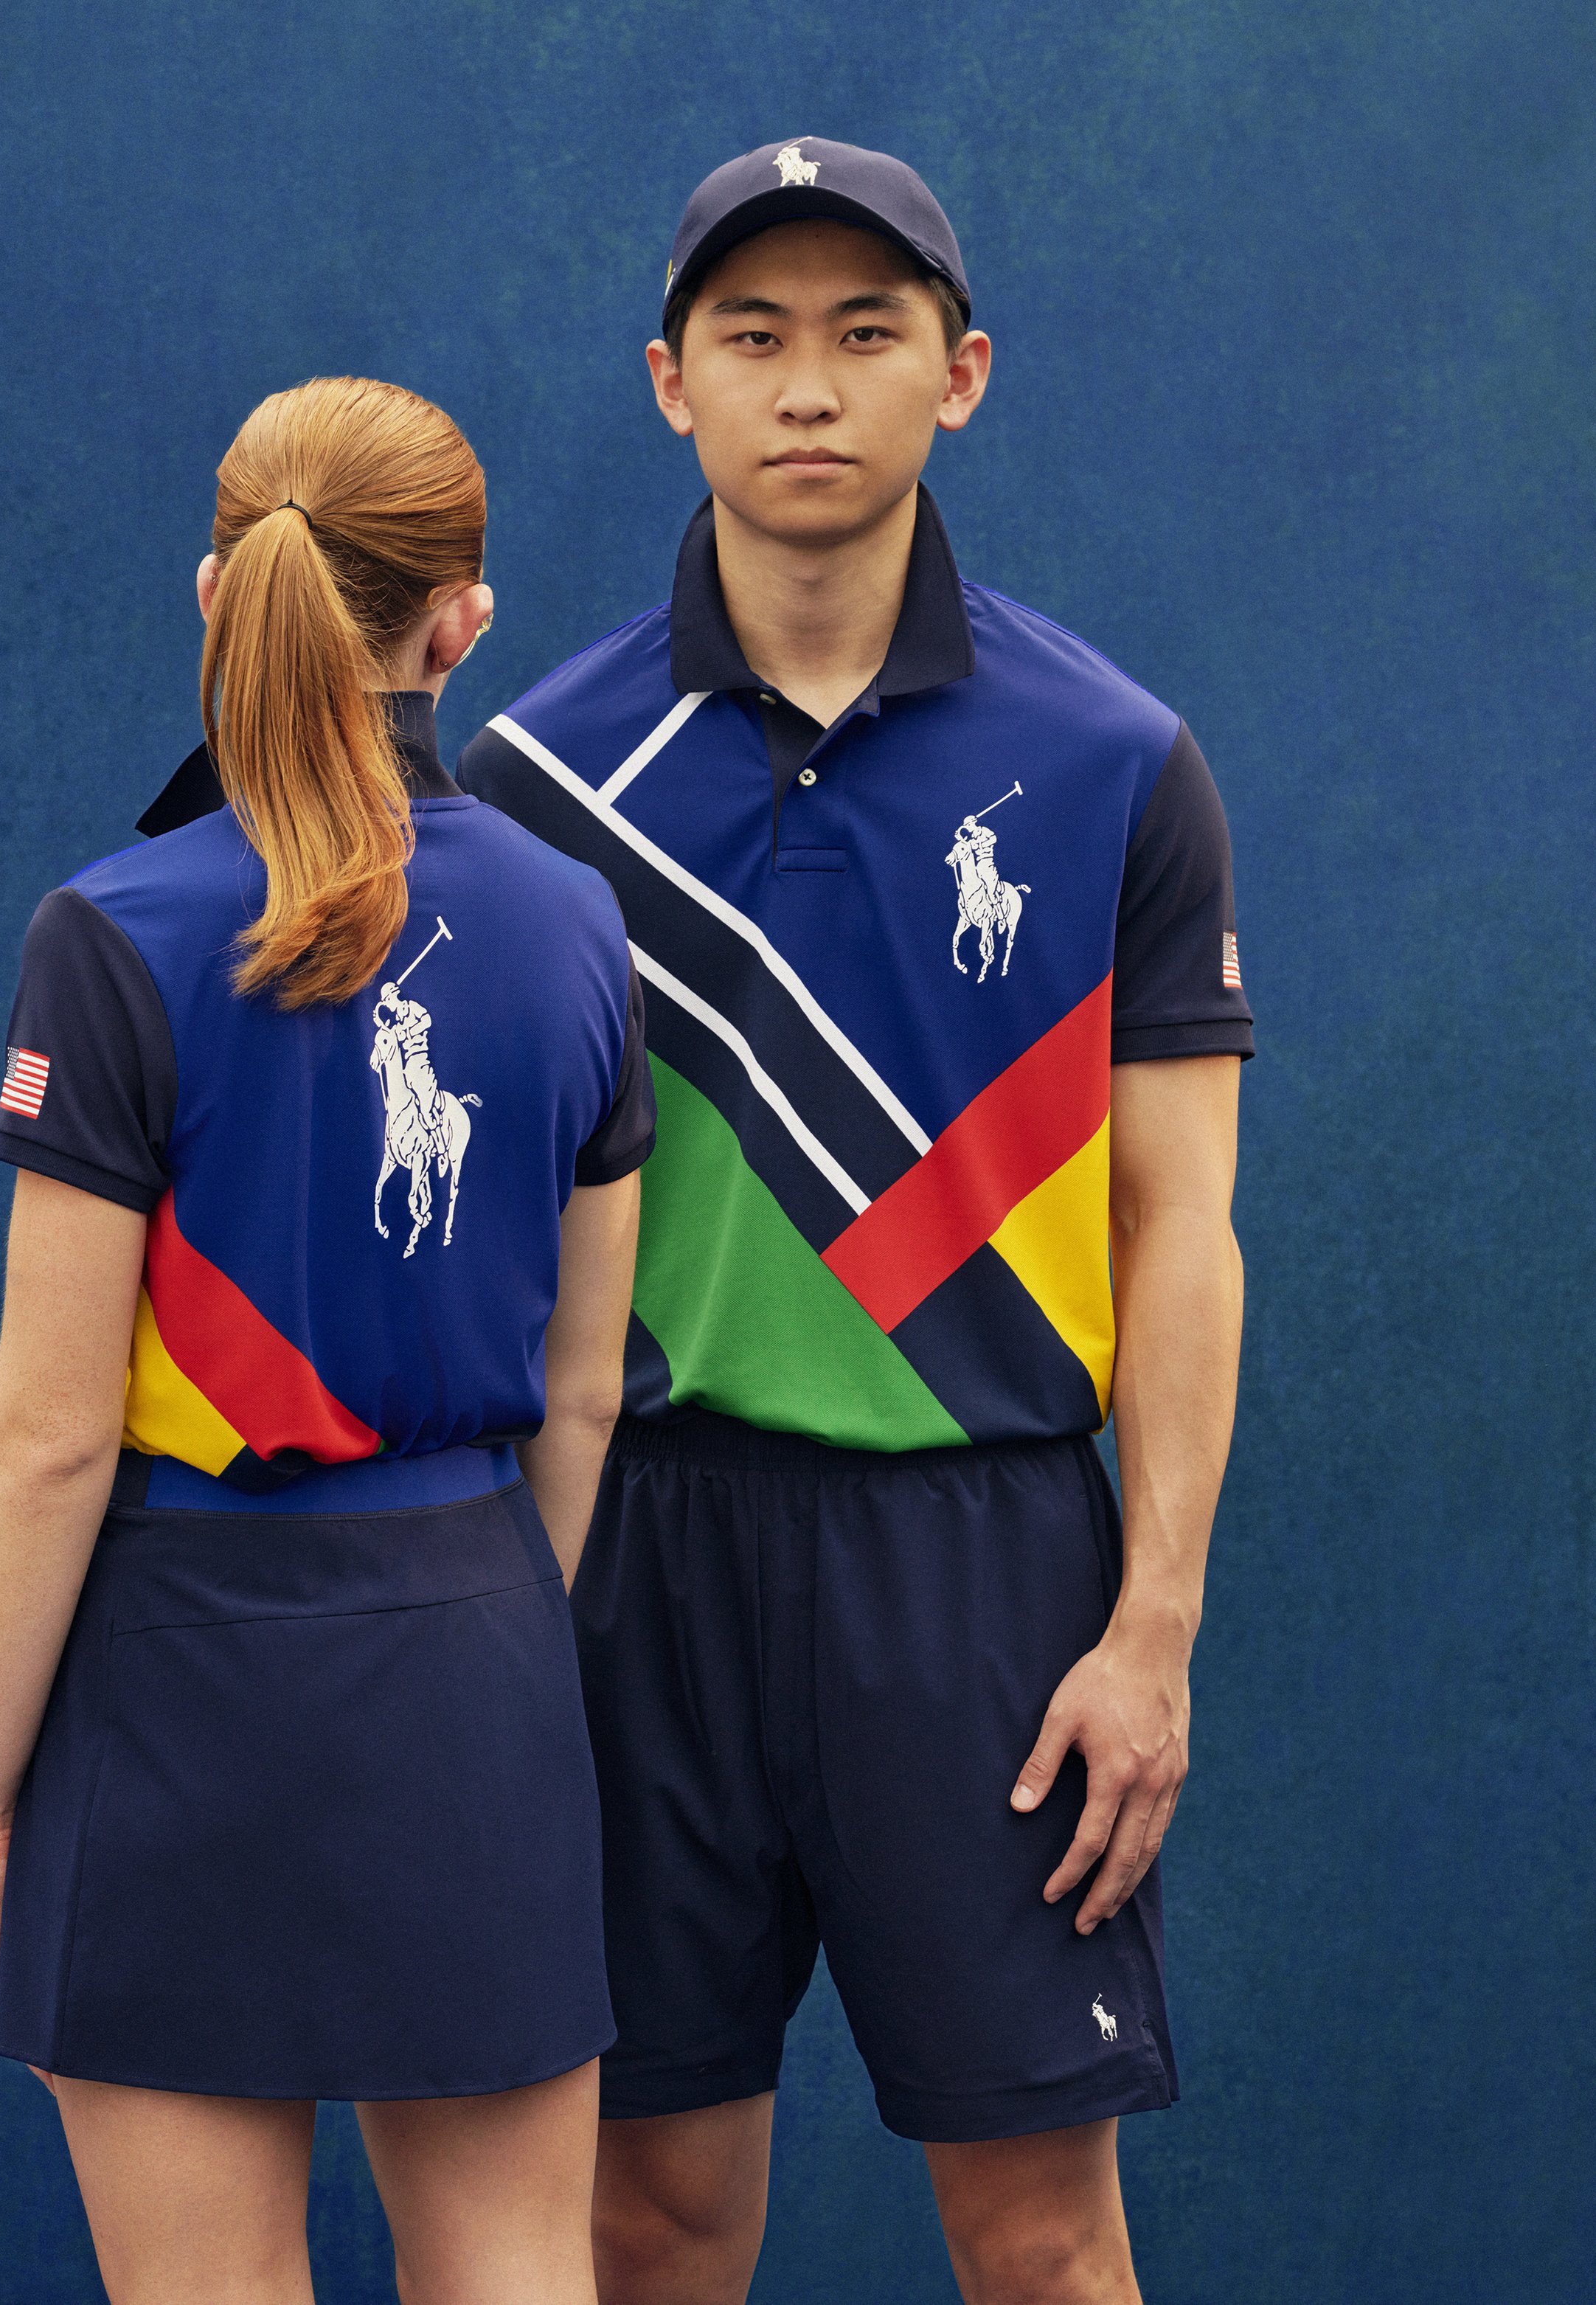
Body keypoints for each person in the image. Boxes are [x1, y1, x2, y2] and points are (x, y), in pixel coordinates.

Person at [459, 138, 1252, 2305]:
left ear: (959, 375)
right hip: (634, 1560)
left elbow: (1185, 1228)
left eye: (864, 333)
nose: (807, 386)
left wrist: (1154, 1630)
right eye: (753, 337)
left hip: (986, 1575)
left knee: (1044, 2242)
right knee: (642, 2226)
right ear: (670, 384)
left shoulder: (1115, 762)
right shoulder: (534, 787)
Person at [0, 375, 656, 2305]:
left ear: (216, 594)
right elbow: (586, 1392)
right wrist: (482, 1620)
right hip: (474, 1656)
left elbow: (46, 1436)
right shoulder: (580, 929)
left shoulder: (108, 933)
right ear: (462, 622)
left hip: (172, 1681)